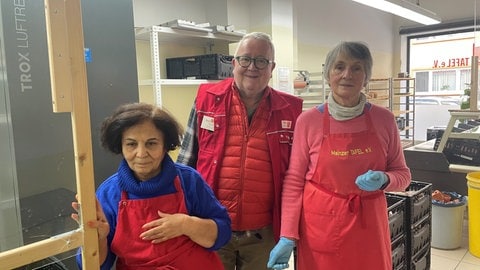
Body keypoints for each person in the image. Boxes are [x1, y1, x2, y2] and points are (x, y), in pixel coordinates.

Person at [267, 41, 412, 270]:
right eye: (339, 67)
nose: (347, 74)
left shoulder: (384, 120)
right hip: (320, 225)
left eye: (357, 68)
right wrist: (287, 235)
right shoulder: (308, 121)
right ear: (328, 74)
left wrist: (385, 180)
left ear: (366, 77)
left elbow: (403, 175)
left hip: (369, 226)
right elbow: (294, 181)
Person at [177, 32, 303, 270]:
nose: (252, 67)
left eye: (261, 60)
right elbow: (186, 161)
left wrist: (290, 231)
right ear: (234, 64)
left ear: (272, 67)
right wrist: (183, 216)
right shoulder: (206, 99)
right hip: (211, 227)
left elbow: (296, 177)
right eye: (245, 59)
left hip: (263, 234)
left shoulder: (291, 110)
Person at [71, 102, 231, 269]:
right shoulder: (109, 193)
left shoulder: (189, 180)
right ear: (120, 146)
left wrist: (186, 225)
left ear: (165, 146)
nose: (141, 154)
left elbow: (223, 233)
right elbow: (94, 266)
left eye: (151, 143)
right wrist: (99, 239)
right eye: (131, 144)